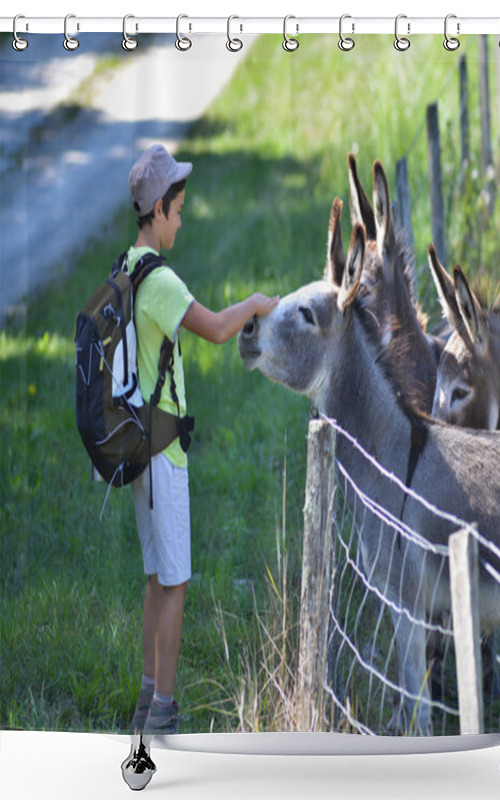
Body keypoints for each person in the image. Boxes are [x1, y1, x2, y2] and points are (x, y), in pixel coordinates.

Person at [125, 143, 278, 735]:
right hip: (162, 451)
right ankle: (162, 710)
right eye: (179, 210)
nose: (182, 221)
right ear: (158, 209)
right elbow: (215, 328)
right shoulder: (158, 279)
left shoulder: (125, 266)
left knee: (155, 576)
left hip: (139, 445)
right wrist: (257, 304)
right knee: (177, 580)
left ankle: (145, 699)